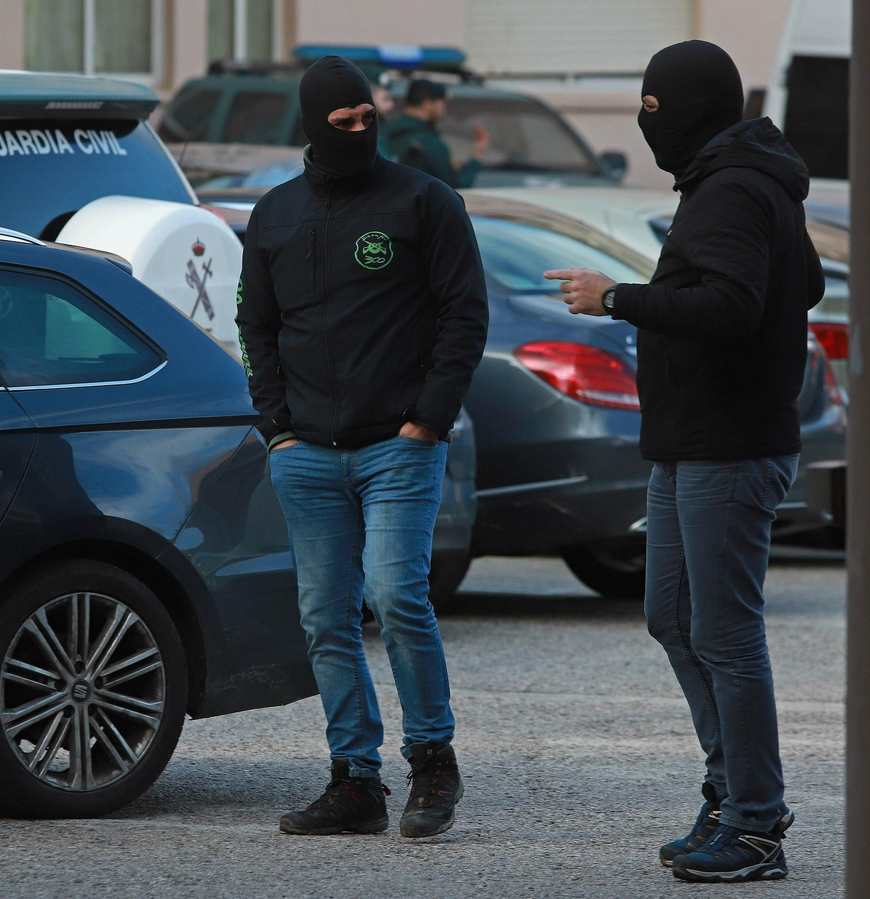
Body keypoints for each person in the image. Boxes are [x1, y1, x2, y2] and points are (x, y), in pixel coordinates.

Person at [545, 41, 823, 883]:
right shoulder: (731, 182)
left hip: (729, 447)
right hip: (690, 442)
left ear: (690, 107)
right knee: (671, 615)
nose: (644, 120)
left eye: (653, 107)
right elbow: (801, 282)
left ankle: (754, 820)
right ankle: (731, 784)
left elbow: (734, 307)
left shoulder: (736, 187)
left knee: (727, 633)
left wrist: (617, 297)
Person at [236, 55, 488, 839]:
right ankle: (354, 779)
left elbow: (464, 317)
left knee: (397, 594)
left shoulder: (424, 201)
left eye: (366, 119)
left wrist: (428, 420)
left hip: (398, 448)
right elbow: (256, 327)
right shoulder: (273, 214)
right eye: (340, 123)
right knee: (323, 617)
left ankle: (433, 762)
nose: (358, 132)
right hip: (305, 454)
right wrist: (276, 427)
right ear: (313, 125)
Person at [381, 79, 489, 188]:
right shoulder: (429, 142)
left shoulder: (383, 131)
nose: (444, 111)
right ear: (427, 104)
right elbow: (455, 186)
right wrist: (477, 155)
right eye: (442, 104)